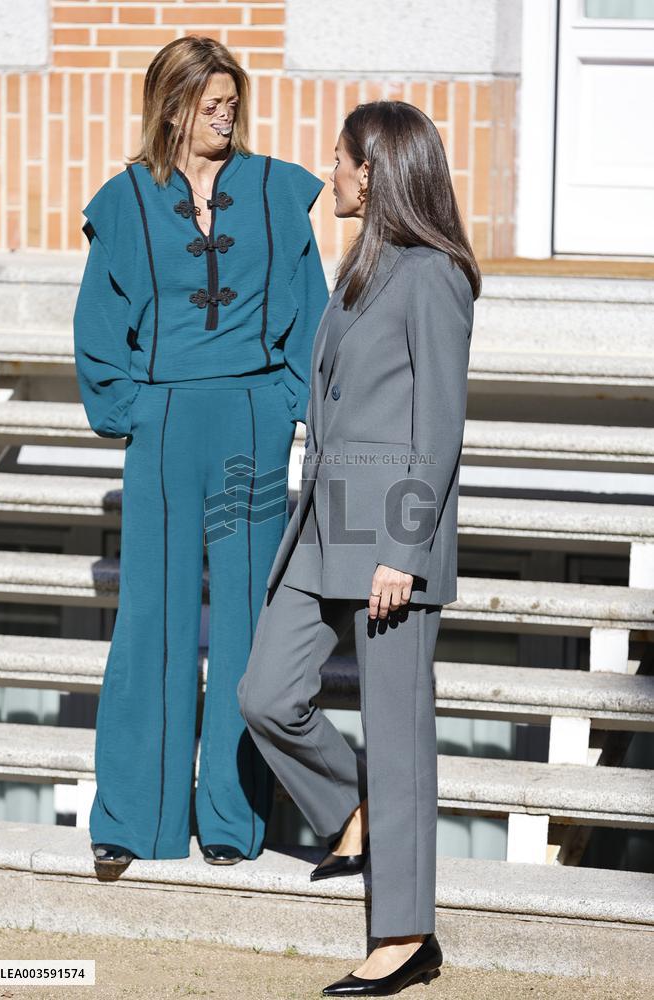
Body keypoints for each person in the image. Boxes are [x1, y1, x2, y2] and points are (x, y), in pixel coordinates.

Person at [238, 100, 480, 996]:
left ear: (374, 171)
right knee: (266, 692)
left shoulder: (433, 276)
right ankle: (351, 807)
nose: (328, 172)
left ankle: (406, 934)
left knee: (401, 733)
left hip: (391, 535)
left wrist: (404, 551)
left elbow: (440, 429)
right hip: (323, 520)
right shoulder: (359, 271)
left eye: (338, 160)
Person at [73, 35, 328, 872]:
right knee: (153, 617)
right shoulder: (125, 200)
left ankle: (228, 817)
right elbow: (100, 319)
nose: (225, 115)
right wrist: (130, 410)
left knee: (249, 626)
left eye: (231, 102)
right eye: (209, 102)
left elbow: (312, 307)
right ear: (172, 105)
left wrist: (290, 402)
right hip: (163, 423)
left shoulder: (274, 190)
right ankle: (133, 819)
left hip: (253, 418)